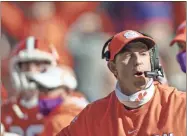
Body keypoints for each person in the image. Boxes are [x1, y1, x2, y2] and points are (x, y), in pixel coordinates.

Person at [57, 30, 186, 136]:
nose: (138, 61)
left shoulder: (180, 104)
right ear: (113, 67)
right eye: (128, 56)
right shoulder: (93, 115)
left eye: (143, 54)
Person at [1, 36, 58, 136]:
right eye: (25, 65)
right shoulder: (5, 110)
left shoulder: (62, 106)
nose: (31, 71)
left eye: (38, 64)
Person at [27, 65, 89, 136]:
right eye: (40, 88)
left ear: (67, 92)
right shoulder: (84, 112)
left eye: (48, 89)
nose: (42, 94)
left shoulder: (59, 122)